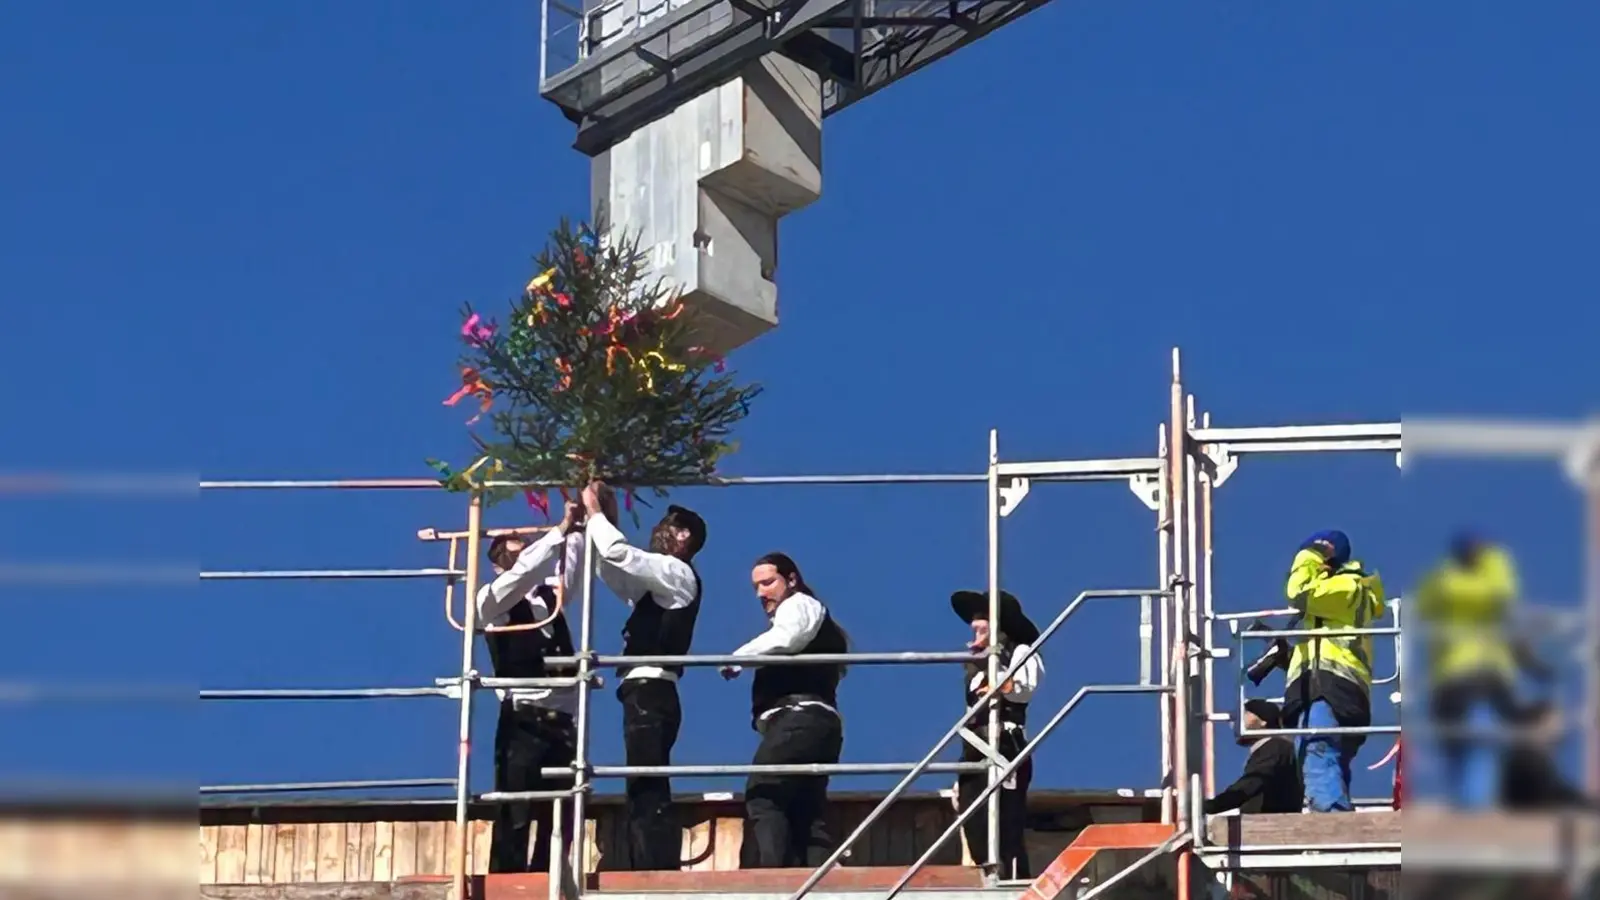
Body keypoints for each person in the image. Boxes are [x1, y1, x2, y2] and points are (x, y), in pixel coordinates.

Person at [580, 481, 706, 871]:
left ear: (683, 537)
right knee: (641, 780)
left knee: (646, 783)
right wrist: (605, 518)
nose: (656, 530)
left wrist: (596, 514)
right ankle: (646, 864)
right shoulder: (658, 586)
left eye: (666, 525)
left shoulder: (676, 573)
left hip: (652, 690)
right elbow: (614, 567)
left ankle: (654, 868)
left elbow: (620, 553)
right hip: (643, 691)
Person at [720, 552, 849, 868]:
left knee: (764, 793)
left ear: (791, 580)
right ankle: (814, 883)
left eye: (767, 583)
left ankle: (775, 880)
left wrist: (738, 658)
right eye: (756, 587)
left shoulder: (799, 604)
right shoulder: (804, 613)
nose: (761, 593)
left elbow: (787, 638)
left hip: (799, 718)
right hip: (816, 723)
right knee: (806, 812)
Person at [477, 503, 586, 873]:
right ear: (495, 563)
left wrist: (577, 531)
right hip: (523, 718)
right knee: (516, 811)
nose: (517, 543)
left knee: (561, 814)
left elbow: (568, 572)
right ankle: (507, 884)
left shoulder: (545, 599)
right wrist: (557, 532)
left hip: (564, 719)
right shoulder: (490, 601)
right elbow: (522, 574)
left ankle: (548, 880)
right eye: (507, 544)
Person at [1414, 534, 1544, 809]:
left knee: (1463, 743)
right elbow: (1509, 612)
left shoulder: (1440, 583)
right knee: (1478, 740)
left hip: (1451, 677)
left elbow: (1423, 610)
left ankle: (1469, 806)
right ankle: (1475, 809)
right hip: (1482, 672)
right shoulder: (1489, 585)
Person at [1281, 530, 1387, 812]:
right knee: (1328, 758)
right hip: (1334, 685)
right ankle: (1338, 814)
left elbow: (1299, 593)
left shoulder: (1347, 586)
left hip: (1330, 686)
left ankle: (1332, 822)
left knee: (1317, 749)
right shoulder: (1344, 593)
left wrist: (1307, 556)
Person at [949, 589, 1043, 880]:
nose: (975, 625)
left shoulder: (1020, 652)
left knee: (1006, 827)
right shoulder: (974, 667)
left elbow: (1023, 689)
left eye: (983, 620)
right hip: (975, 749)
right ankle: (991, 879)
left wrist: (998, 677)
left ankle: (1014, 884)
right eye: (974, 621)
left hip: (1005, 746)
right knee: (974, 822)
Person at [1205, 699, 1302, 815]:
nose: (1238, 721)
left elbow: (1252, 783)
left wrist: (1213, 805)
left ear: (1263, 721)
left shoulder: (1275, 747)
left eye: (1246, 713)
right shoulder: (1272, 748)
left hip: (1272, 824)